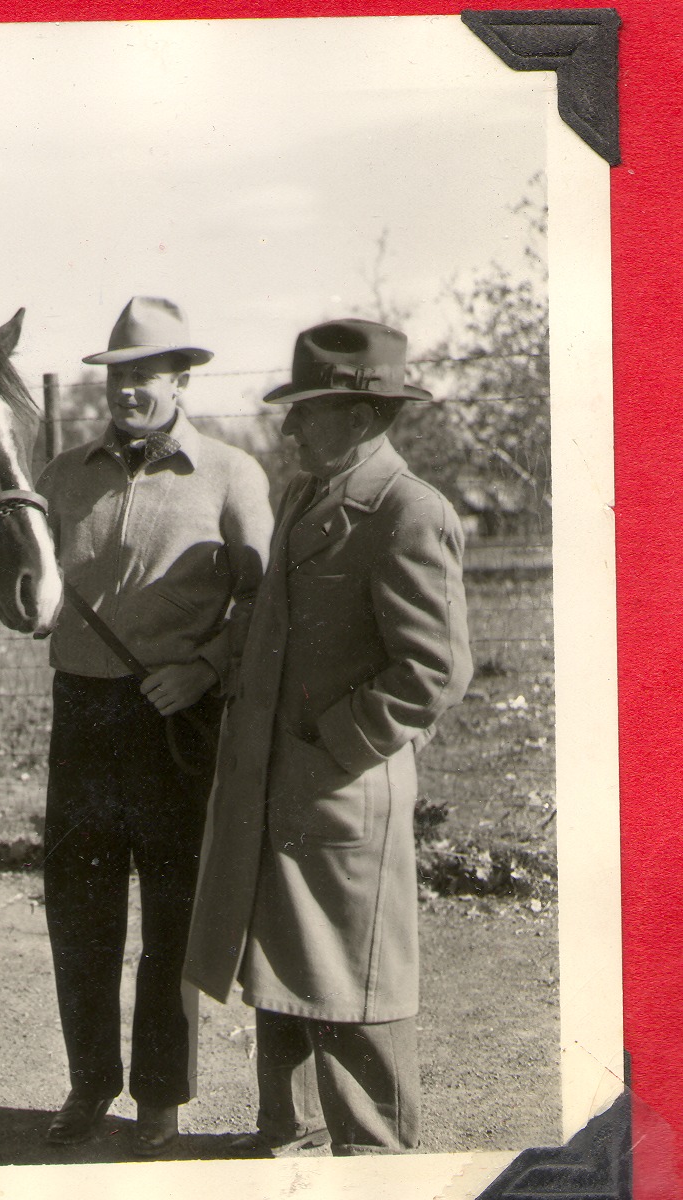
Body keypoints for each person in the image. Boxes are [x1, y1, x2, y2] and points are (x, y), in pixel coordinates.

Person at [183, 318, 473, 1155]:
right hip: (280, 788)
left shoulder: (409, 511)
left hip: (343, 793)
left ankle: (377, 1175)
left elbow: (435, 671)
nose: (289, 427)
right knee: (280, 975)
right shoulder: (306, 495)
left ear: (358, 415)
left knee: (356, 990)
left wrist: (334, 741)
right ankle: (291, 1149)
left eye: (305, 409)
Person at [35, 296, 272, 1157]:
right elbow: (28, 577)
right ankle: (89, 1083)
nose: (130, 389)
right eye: (119, 374)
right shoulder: (62, 475)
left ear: (181, 381)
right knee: (81, 912)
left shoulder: (231, 475)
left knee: (171, 919)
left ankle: (160, 1102)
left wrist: (206, 666)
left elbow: (265, 598)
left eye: (147, 375)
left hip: (176, 720)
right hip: (83, 717)